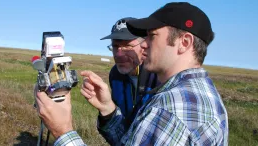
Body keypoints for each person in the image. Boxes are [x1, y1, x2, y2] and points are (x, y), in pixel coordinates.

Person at [35, 2, 229, 146]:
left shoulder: (172, 110)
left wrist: (63, 132)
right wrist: (108, 109)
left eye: (152, 36)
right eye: (115, 46)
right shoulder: (198, 93)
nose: (144, 44)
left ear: (184, 43)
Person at [99, 17, 159, 129]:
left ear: (144, 45)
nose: (118, 54)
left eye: (127, 46)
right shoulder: (115, 74)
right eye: (115, 46)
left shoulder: (158, 76)